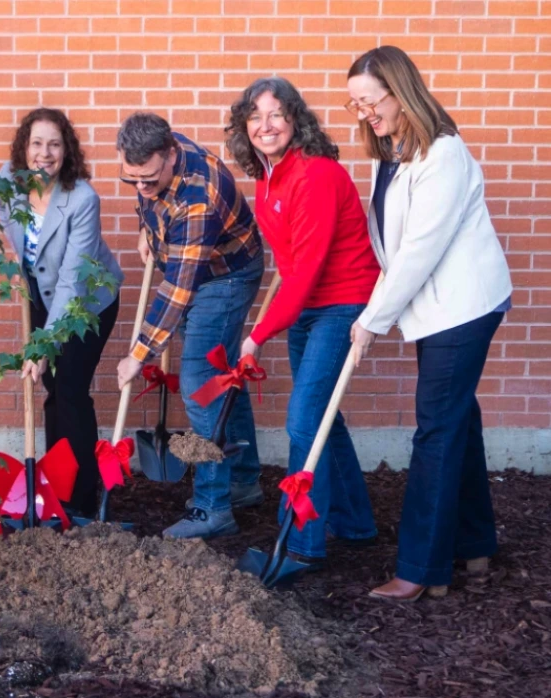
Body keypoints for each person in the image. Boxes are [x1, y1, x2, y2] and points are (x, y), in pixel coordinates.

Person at [346, 47, 513, 601]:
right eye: (356, 105)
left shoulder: (444, 155)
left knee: (435, 430)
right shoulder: (391, 153)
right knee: (457, 421)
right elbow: (392, 247)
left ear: (400, 90)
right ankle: (475, 547)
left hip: (463, 308)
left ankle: (420, 570)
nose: (365, 112)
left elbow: (419, 251)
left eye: (371, 101)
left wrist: (372, 320)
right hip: (437, 309)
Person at [227, 77, 380, 571]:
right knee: (320, 419)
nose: (265, 126)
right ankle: (356, 523)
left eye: (275, 115)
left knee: (302, 420)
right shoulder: (269, 175)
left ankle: (302, 545)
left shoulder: (314, 175)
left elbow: (309, 269)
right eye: (255, 117)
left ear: (295, 120)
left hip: (342, 305)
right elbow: (292, 266)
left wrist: (255, 335)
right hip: (309, 306)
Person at [114, 112, 265, 539]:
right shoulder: (155, 155)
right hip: (196, 261)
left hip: (226, 274)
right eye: (132, 181)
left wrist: (138, 354)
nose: (141, 188)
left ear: (171, 155)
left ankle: (213, 506)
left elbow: (179, 289)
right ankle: (243, 480)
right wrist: (150, 228)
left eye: (148, 179)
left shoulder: (199, 196)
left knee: (201, 387)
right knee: (221, 377)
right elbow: (153, 203)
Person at [0, 108, 124, 516]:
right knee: (51, 387)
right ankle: (53, 479)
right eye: (36, 143)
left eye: (54, 144)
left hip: (86, 302)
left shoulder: (82, 199)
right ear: (23, 148)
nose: (44, 153)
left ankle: (79, 499)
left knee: (68, 388)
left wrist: (45, 343)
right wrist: (22, 272)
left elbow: (72, 278)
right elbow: (6, 225)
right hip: (39, 293)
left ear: (66, 151)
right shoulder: (6, 183)